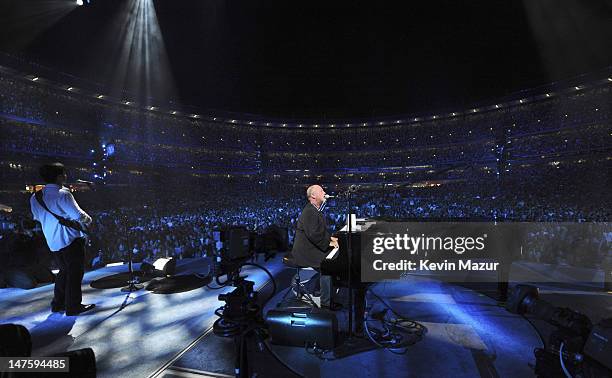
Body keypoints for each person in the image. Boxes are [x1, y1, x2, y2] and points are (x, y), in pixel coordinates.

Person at [30, 163, 95, 316]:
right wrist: (88, 220)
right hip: (70, 239)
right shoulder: (63, 194)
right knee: (75, 273)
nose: (66, 176)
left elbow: (37, 218)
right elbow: (78, 216)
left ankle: (58, 304)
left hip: (53, 241)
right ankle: (73, 307)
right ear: (59, 176)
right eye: (64, 173)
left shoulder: (35, 197)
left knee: (63, 271)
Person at [291, 185, 339, 309]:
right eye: (322, 191)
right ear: (313, 196)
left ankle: (323, 290)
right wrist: (329, 243)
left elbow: (319, 231)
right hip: (304, 252)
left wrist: (330, 238)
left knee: (331, 260)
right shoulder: (310, 211)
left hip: (310, 247)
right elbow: (314, 234)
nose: (325, 192)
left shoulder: (314, 210)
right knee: (327, 266)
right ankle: (326, 303)